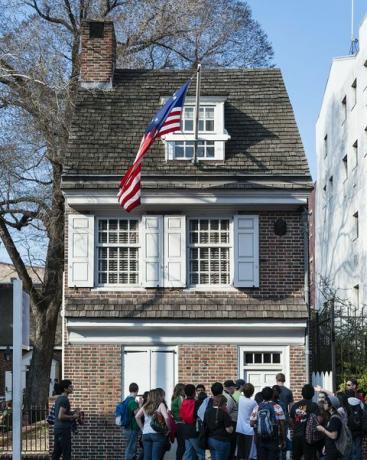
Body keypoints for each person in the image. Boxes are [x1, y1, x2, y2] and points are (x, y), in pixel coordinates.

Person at [250, 386, 285, 460]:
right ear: (272, 395)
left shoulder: (257, 407)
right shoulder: (277, 407)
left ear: (262, 396)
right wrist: (283, 439)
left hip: (260, 439)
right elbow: (282, 425)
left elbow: (251, 423)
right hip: (274, 438)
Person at [135, 389, 171, 460]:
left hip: (146, 434)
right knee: (156, 457)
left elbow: (137, 417)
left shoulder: (145, 405)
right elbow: (166, 418)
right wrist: (168, 429)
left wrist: (142, 429)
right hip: (157, 434)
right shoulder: (160, 404)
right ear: (157, 396)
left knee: (147, 457)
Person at [289, 383, 320, 460]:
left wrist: (296, 427)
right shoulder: (314, 406)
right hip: (309, 437)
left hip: (296, 436)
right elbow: (318, 420)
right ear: (313, 394)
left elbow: (290, 420)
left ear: (302, 394)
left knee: (296, 457)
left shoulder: (295, 406)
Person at [52, 379, 80, 460]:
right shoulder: (64, 400)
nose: (72, 388)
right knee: (66, 453)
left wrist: (72, 412)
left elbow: (61, 413)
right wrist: (73, 416)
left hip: (58, 429)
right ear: (65, 389)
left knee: (57, 452)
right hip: (63, 430)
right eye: (70, 386)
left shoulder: (59, 399)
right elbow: (60, 416)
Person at [180, 384, 205, 460]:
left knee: (188, 452)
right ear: (194, 392)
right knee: (201, 453)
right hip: (194, 430)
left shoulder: (183, 402)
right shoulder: (196, 403)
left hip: (185, 429)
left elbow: (181, 416)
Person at [205, 394, 233, 460]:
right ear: (222, 404)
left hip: (211, 439)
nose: (226, 405)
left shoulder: (207, 412)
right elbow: (229, 430)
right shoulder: (224, 414)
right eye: (225, 404)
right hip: (222, 441)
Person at [236, 383, 257, 460]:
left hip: (239, 429)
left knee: (239, 454)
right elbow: (254, 417)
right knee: (247, 455)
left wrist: (241, 388)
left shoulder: (240, 399)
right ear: (252, 392)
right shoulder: (253, 403)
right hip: (249, 431)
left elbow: (236, 392)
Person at [345, 389, 366, 460]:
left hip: (350, 428)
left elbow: (346, 415)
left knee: (351, 447)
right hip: (359, 429)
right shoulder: (360, 402)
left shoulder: (346, 402)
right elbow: (363, 415)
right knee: (358, 447)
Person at [124, 383, 141, 460]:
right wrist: (140, 405)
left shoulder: (126, 400)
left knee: (130, 447)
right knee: (131, 449)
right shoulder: (132, 402)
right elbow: (138, 414)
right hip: (132, 428)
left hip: (127, 427)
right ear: (137, 390)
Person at [223, 380, 238, 459]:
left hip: (231, 423)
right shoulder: (228, 397)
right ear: (230, 387)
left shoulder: (226, 395)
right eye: (234, 388)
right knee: (231, 446)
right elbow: (226, 412)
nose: (235, 390)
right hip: (231, 423)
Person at [171, 383, 186, 460]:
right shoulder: (180, 398)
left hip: (176, 424)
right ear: (181, 390)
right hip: (181, 424)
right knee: (182, 446)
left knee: (180, 445)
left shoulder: (174, 398)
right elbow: (183, 410)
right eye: (184, 389)